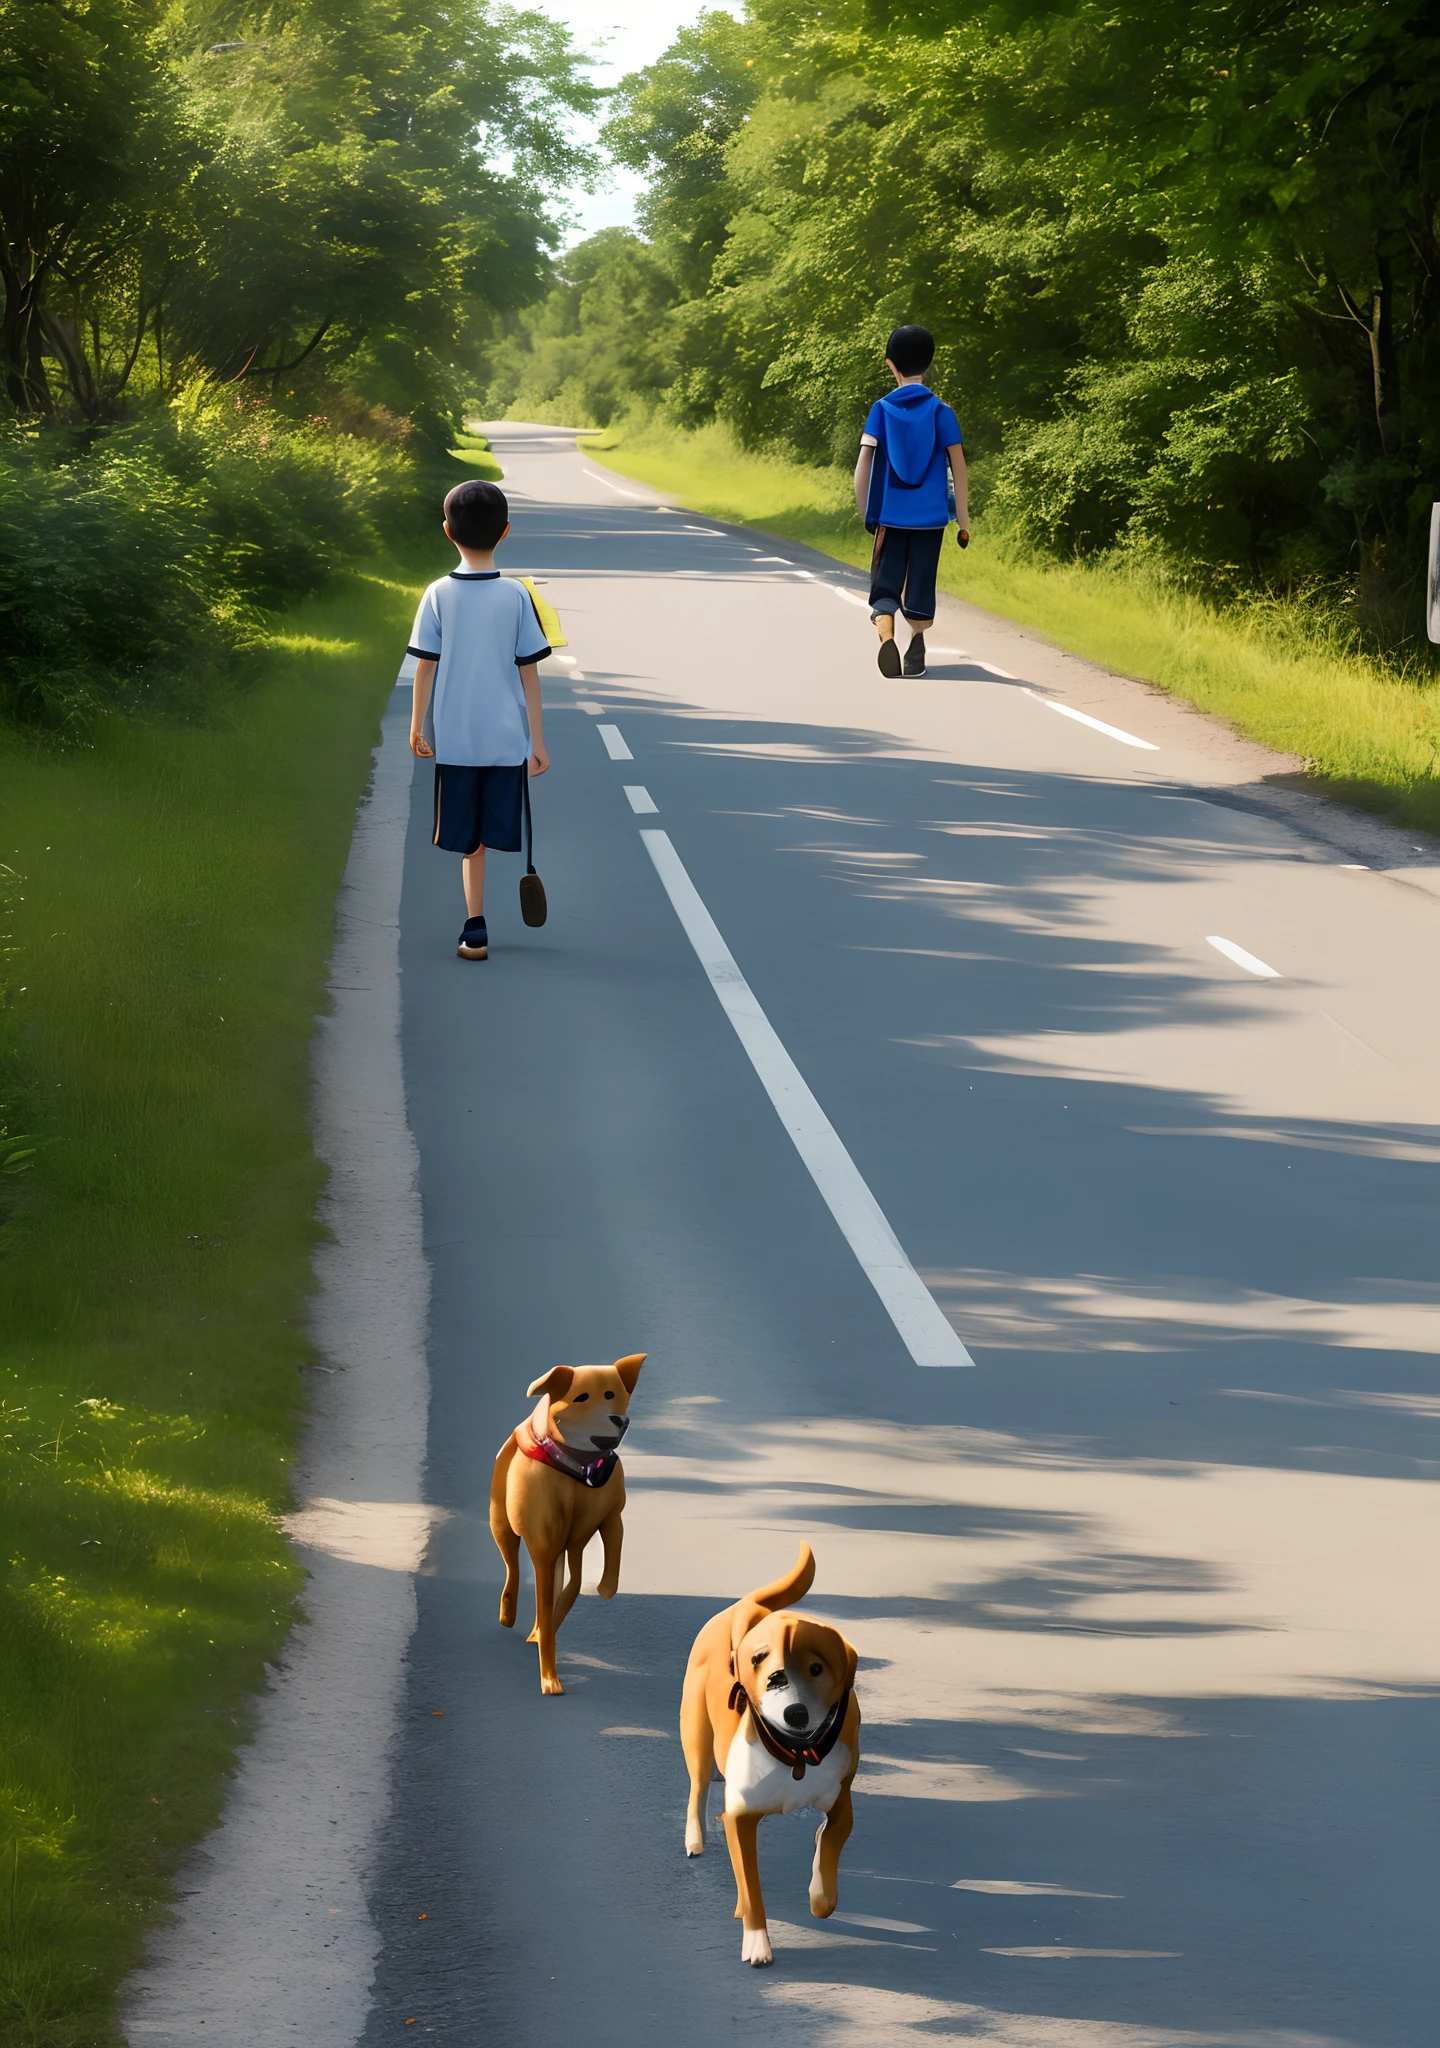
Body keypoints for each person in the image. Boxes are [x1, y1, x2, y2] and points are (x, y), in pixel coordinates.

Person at [407, 479, 551, 961]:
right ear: (505, 531)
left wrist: (417, 725)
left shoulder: (437, 594)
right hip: (507, 740)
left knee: (471, 844)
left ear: (447, 531)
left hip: (456, 741)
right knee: (493, 831)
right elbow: (528, 672)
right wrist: (539, 742)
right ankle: (477, 924)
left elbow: (425, 665)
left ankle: (475, 926)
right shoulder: (515, 596)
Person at [853, 325, 969, 679]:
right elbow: (959, 468)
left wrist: (865, 510)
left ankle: (886, 633)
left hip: (891, 515)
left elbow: (864, 462)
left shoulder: (881, 409)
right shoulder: (941, 412)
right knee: (920, 581)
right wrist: (962, 521)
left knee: (885, 583)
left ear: (891, 365)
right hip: (931, 520)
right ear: (928, 363)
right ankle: (916, 646)